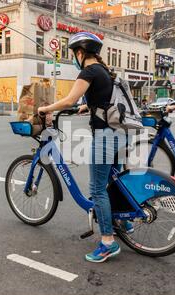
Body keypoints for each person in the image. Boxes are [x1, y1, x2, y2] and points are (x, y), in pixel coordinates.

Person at [37, 32, 132, 263]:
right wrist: (85, 108)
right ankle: (123, 220)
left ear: (80, 53)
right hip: (120, 134)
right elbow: (101, 101)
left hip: (105, 136)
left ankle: (108, 242)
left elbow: (69, 99)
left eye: (74, 54)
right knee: (112, 181)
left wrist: (45, 108)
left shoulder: (89, 71)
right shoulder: (103, 72)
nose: (74, 59)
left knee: (98, 189)